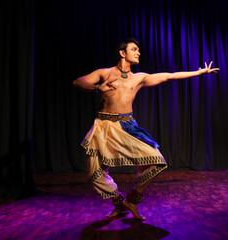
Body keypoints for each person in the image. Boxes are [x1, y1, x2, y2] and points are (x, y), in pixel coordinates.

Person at [73, 38, 219, 220]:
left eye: (138, 50)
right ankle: (119, 202)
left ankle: (132, 199)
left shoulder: (139, 78)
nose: (138, 52)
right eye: (134, 49)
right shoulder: (105, 73)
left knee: (158, 161)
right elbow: (78, 82)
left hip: (126, 126)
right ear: (122, 53)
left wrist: (199, 73)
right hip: (102, 127)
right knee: (94, 175)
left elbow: (169, 75)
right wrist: (96, 89)